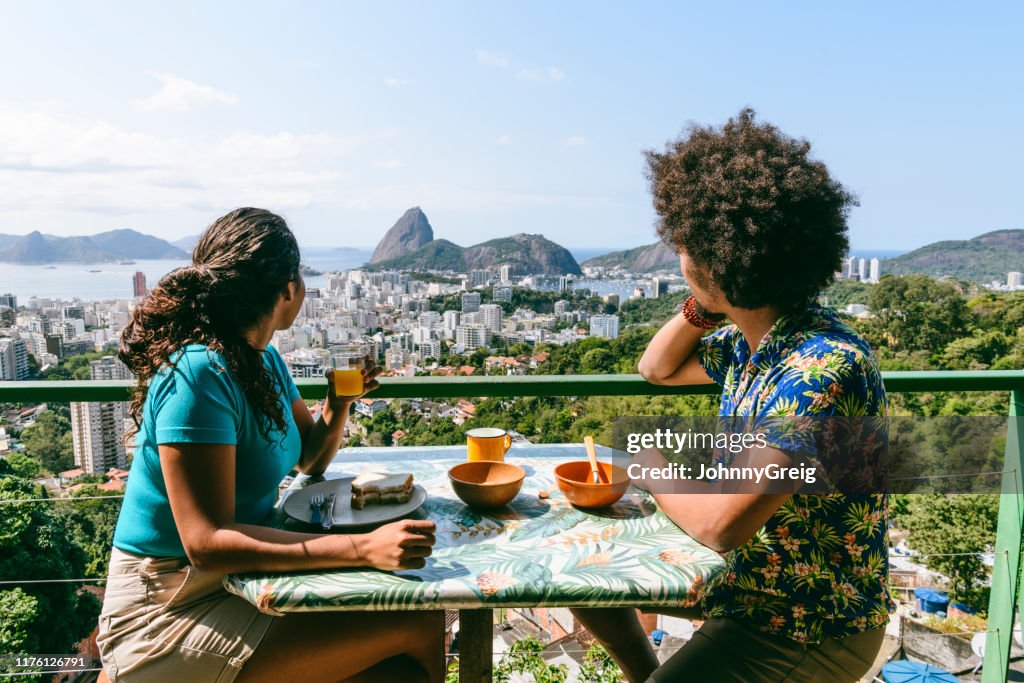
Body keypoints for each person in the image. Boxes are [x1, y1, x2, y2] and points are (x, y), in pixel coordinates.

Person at [572, 109, 893, 682]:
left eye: (688, 245)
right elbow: (656, 367)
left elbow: (723, 525)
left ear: (718, 258)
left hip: (804, 622)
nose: (678, 255)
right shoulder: (760, 340)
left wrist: (652, 468)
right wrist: (706, 301)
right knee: (586, 582)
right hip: (748, 588)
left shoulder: (819, 369)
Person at [96, 208, 444, 683]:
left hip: (242, 578)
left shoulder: (263, 359)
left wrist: (338, 404)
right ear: (287, 290)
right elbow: (206, 543)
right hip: (169, 601)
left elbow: (310, 457)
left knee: (397, 657)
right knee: (417, 620)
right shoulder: (198, 374)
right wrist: (362, 547)